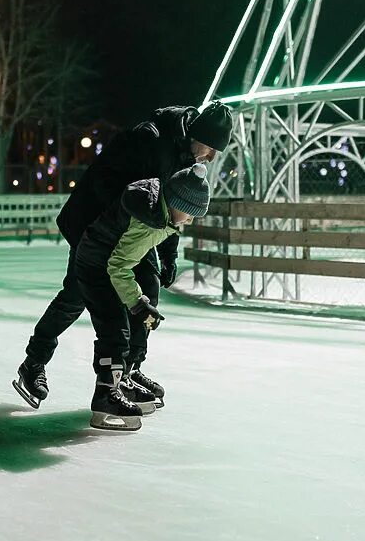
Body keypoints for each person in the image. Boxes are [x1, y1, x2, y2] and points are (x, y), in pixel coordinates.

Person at [14, 102, 233, 408]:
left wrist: (169, 253)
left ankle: (126, 371)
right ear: (196, 134)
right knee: (78, 295)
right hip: (96, 226)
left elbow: (171, 209)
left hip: (133, 229)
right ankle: (33, 363)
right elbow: (106, 182)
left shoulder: (185, 153)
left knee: (149, 285)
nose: (209, 156)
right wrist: (115, 228)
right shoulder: (149, 139)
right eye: (209, 148)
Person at [75, 163, 210, 431]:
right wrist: (137, 302)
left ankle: (123, 377)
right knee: (115, 325)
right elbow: (118, 266)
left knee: (138, 314)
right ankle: (105, 394)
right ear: (176, 203)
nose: (191, 220)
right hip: (96, 264)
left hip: (108, 262)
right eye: (190, 213)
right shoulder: (147, 222)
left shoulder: (160, 213)